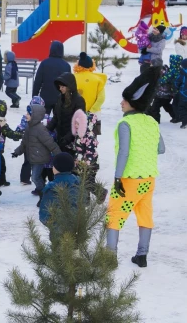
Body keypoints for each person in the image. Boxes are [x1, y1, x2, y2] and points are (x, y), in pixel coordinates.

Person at [106, 67, 165, 268]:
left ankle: (110, 257)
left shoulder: (126, 124)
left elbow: (124, 153)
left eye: (125, 100)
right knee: (145, 213)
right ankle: (142, 255)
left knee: (115, 215)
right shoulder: (152, 122)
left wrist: (117, 178)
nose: (121, 103)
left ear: (134, 101)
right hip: (148, 180)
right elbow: (161, 148)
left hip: (129, 179)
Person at [12, 104, 61, 196]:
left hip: (40, 158)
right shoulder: (28, 128)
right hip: (34, 158)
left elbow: (50, 143)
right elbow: (24, 143)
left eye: (28, 113)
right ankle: (43, 191)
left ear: (35, 116)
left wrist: (59, 155)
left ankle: (43, 192)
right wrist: (17, 152)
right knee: (37, 177)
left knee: (35, 177)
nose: (26, 115)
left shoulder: (40, 129)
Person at [16, 96, 55, 186]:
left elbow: (20, 128)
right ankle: (40, 180)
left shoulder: (26, 116)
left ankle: (25, 178)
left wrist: (19, 131)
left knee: (27, 161)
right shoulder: (46, 117)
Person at [38, 153, 80, 234]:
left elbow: (44, 214)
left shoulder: (51, 188)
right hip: (78, 230)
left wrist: (52, 225)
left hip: (58, 232)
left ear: (56, 168)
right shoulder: (78, 182)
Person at [47, 72, 86, 156]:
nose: (60, 89)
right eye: (59, 87)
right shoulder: (60, 98)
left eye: (63, 87)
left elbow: (79, 123)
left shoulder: (78, 100)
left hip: (71, 141)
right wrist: (47, 129)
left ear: (69, 87)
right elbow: (56, 117)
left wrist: (68, 138)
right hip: (60, 137)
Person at [71, 109, 107, 201]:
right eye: (75, 123)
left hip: (90, 164)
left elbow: (90, 152)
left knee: (88, 182)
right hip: (81, 163)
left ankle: (101, 192)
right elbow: (79, 146)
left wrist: (86, 163)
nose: (75, 125)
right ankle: (85, 200)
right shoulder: (80, 134)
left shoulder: (89, 136)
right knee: (83, 182)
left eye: (78, 124)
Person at [0, 99, 22, 187]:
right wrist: (21, 135)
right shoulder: (1, 123)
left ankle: (1, 180)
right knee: (0, 166)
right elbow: (10, 133)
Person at [32, 41, 71, 114]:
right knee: (58, 121)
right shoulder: (66, 65)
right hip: (60, 98)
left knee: (44, 120)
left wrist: (34, 96)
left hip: (45, 97)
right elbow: (69, 83)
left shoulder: (44, 63)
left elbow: (38, 81)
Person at [149, 55, 181, 123]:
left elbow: (163, 81)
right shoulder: (170, 70)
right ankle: (175, 116)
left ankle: (156, 120)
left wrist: (156, 82)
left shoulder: (163, 71)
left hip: (162, 94)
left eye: (152, 64)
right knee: (167, 106)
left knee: (155, 107)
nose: (151, 65)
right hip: (167, 93)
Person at [176, 58, 187, 129]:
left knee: (182, 108)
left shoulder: (182, 73)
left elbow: (177, 83)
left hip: (184, 94)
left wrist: (177, 89)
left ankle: (184, 122)